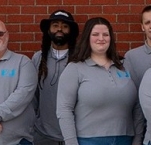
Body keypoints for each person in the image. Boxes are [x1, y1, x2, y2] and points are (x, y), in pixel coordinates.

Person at [56, 17, 143, 145]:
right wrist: (71, 142)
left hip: (125, 139)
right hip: (88, 140)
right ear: (87, 38)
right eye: (95, 34)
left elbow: (137, 106)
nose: (101, 38)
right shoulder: (75, 68)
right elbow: (64, 110)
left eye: (105, 34)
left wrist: (137, 139)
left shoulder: (125, 66)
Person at [34, 9, 80, 145]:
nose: (59, 29)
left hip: (74, 134)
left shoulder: (79, 59)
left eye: (65, 26)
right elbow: (33, 96)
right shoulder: (38, 58)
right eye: (55, 25)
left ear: (71, 31)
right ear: (48, 30)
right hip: (43, 134)